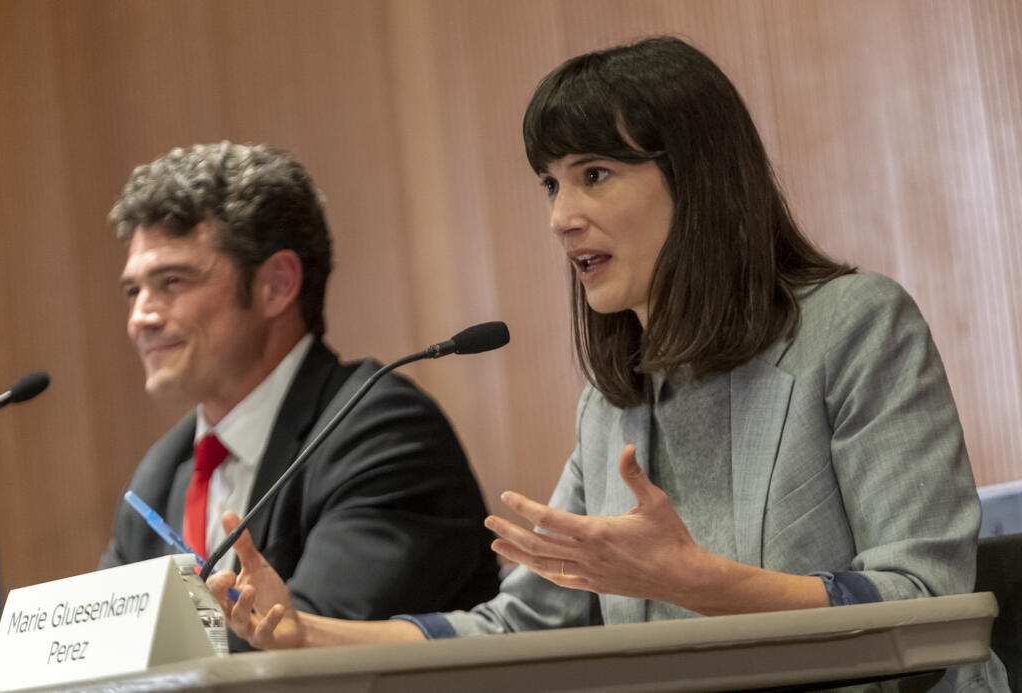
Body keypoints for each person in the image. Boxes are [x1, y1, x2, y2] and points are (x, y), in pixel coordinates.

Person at [206, 38, 1005, 689]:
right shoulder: (612, 403)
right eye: (550, 184)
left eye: (595, 174)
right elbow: (521, 626)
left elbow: (928, 603)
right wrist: (308, 632)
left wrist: (692, 579)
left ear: (698, 179)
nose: (560, 217)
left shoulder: (856, 328)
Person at [99, 142, 500, 650]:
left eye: (173, 281)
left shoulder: (382, 434)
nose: (142, 318)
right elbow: (107, 649)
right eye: (134, 291)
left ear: (277, 284)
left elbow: (301, 643)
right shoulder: (163, 472)